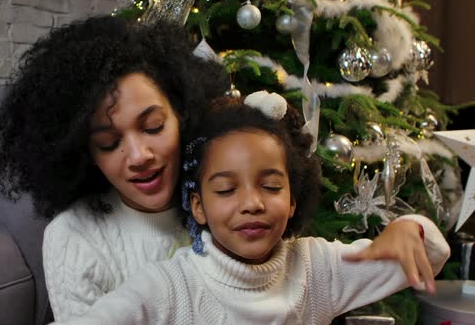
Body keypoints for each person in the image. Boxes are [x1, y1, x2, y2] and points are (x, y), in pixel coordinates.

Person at [0, 15, 445, 323]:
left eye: (153, 127)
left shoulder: (282, 252)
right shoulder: (80, 241)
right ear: (80, 152)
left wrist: (409, 231)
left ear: (183, 112)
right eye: (109, 143)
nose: (139, 155)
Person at [50, 94, 450, 324]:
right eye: (225, 190)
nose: (252, 204)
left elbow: (433, 255)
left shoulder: (318, 267)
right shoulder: (170, 286)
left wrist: (408, 229)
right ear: (199, 207)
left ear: (293, 199)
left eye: (271, 186)